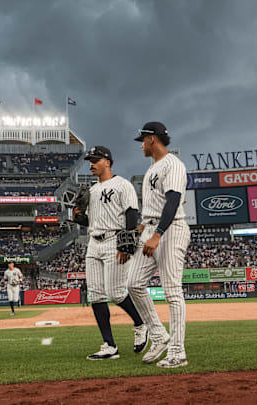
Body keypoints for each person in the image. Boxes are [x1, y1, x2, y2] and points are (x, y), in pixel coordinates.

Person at [73, 145, 148, 361]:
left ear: (107, 162)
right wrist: (78, 216)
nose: (91, 164)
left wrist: (127, 243)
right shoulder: (91, 191)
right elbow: (90, 221)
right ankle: (109, 346)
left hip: (115, 240)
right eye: (90, 160)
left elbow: (131, 213)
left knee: (115, 293)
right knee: (95, 295)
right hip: (93, 243)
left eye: (95, 159)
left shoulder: (122, 185)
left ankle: (140, 323)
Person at [128, 122, 191, 369]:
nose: (141, 145)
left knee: (173, 292)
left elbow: (173, 201)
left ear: (152, 139)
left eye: (142, 140)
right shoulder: (151, 168)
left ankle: (177, 352)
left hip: (171, 229)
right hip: (151, 228)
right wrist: (141, 231)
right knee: (133, 283)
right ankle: (159, 337)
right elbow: (152, 209)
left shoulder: (173, 165)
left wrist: (158, 234)